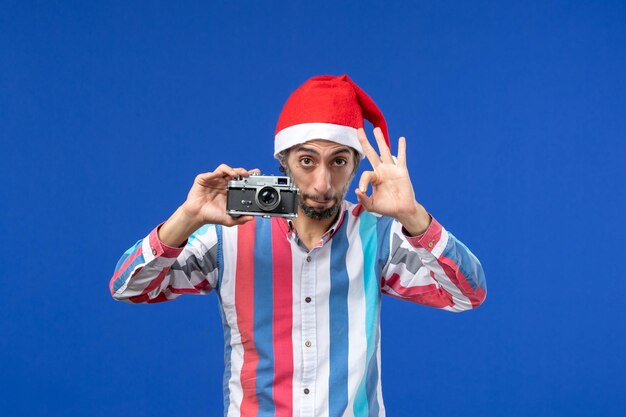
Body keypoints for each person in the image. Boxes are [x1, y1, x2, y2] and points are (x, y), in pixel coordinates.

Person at [110, 74, 487, 417]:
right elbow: (128, 287)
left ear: (355, 165)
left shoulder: (378, 236)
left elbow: (467, 294)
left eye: (338, 161)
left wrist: (413, 216)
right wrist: (188, 217)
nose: (322, 183)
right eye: (307, 160)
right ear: (283, 162)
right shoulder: (228, 236)